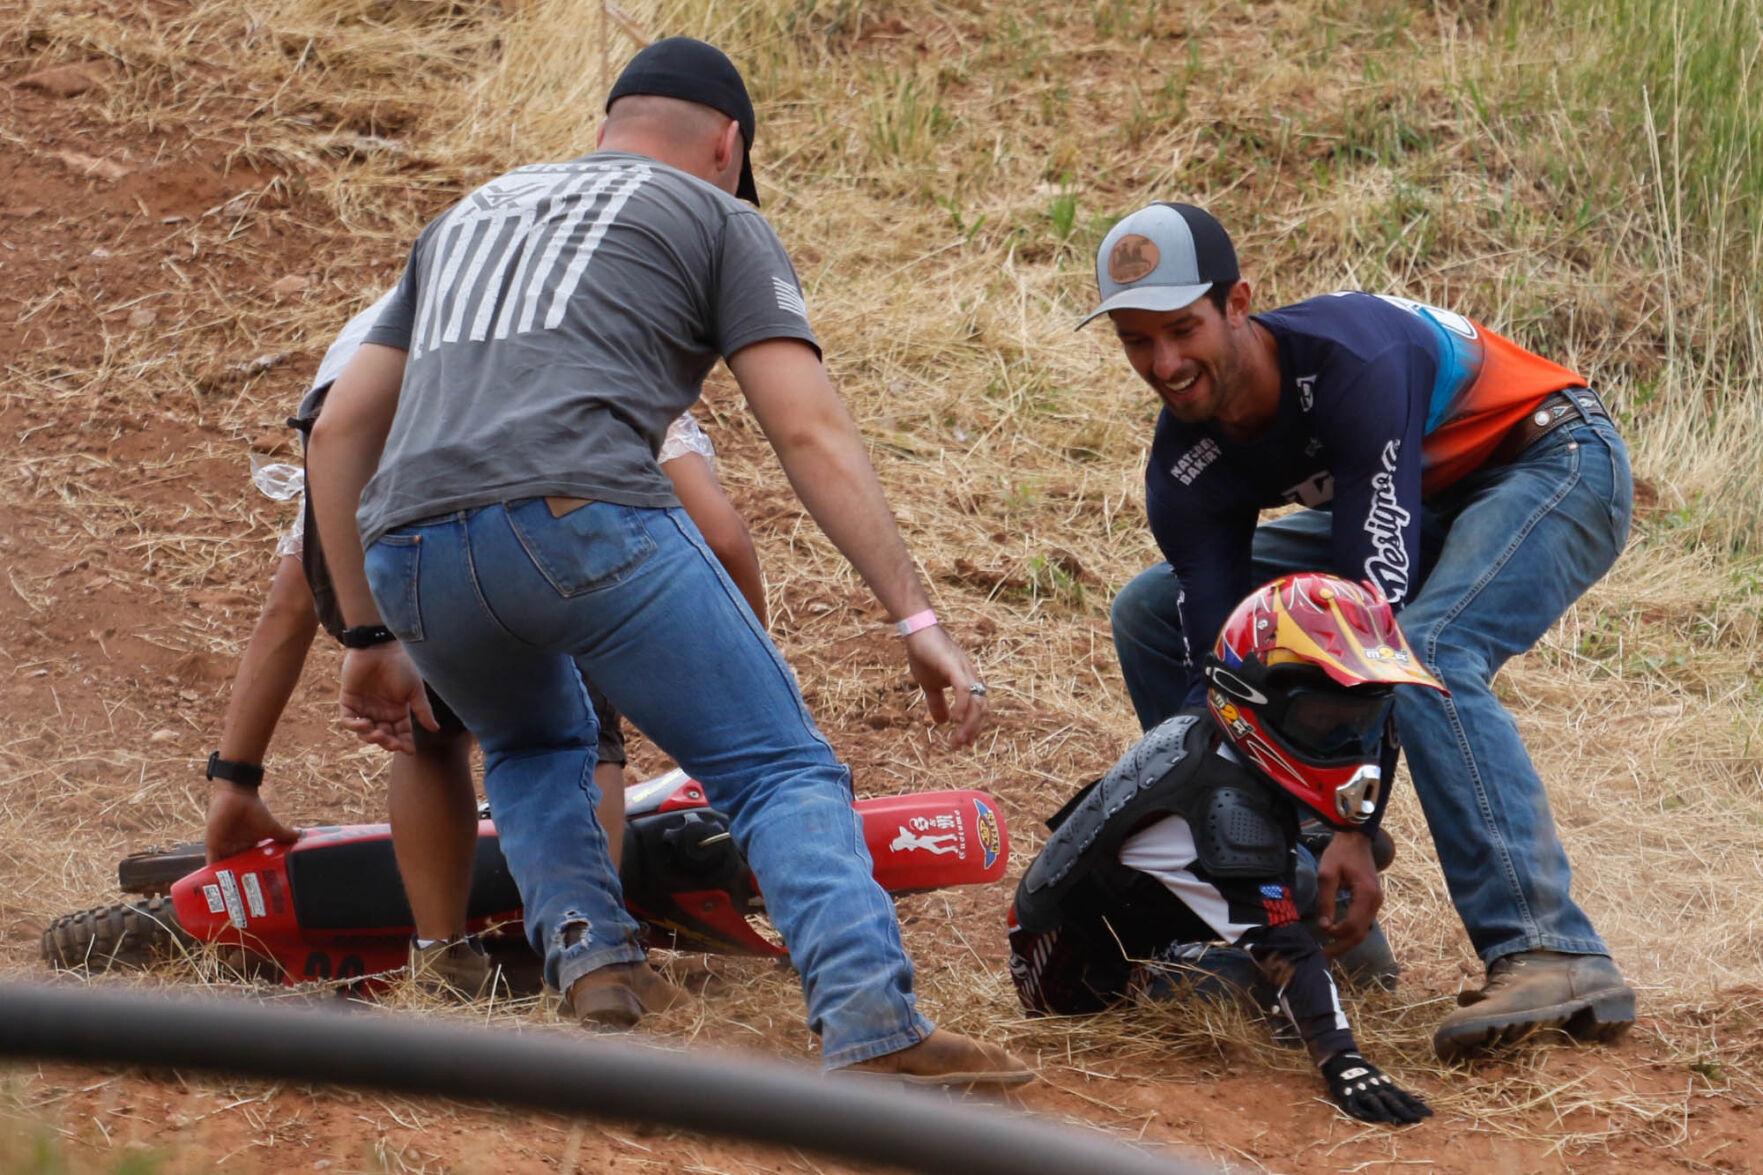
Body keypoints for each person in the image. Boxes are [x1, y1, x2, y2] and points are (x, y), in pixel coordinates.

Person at [306, 37, 1030, 1083]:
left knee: (532, 740)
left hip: (410, 547)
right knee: (776, 764)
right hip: (577, 514)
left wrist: (368, 626)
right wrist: (917, 618)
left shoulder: (468, 214)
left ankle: (593, 959)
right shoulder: (719, 215)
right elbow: (809, 432)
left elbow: (337, 431)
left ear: (607, 127)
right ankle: (870, 1021)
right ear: (726, 144)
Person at [1087, 201, 1637, 1059]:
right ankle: (1305, 918)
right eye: (1134, 340)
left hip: (1547, 460)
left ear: (1238, 302)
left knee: (1427, 646)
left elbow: (1365, 630)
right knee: (1151, 611)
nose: (1163, 363)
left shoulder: (1352, 359)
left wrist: (1355, 823)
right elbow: (1215, 675)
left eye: (1181, 328)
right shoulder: (1185, 464)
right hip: (1407, 502)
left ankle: (1548, 946)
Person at [202, 295, 767, 995]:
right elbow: (720, 536)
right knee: (586, 730)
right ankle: (599, 964)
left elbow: (286, 605)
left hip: (381, 491)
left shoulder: (378, 347)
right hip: (522, 474)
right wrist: (753, 710)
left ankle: (441, 956)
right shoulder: (605, 313)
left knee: (429, 728)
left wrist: (234, 781)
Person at [1010, 574, 1439, 1124]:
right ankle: (1193, 963)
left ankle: (1250, 918)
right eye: (1323, 720)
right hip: (1081, 980)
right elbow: (1288, 949)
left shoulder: (1218, 738)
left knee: (1355, 940)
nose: (1347, 738)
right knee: (1237, 992)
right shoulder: (1215, 796)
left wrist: (1353, 832)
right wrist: (1343, 1061)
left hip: (1152, 901)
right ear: (1251, 696)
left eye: (1357, 720)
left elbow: (1381, 743)